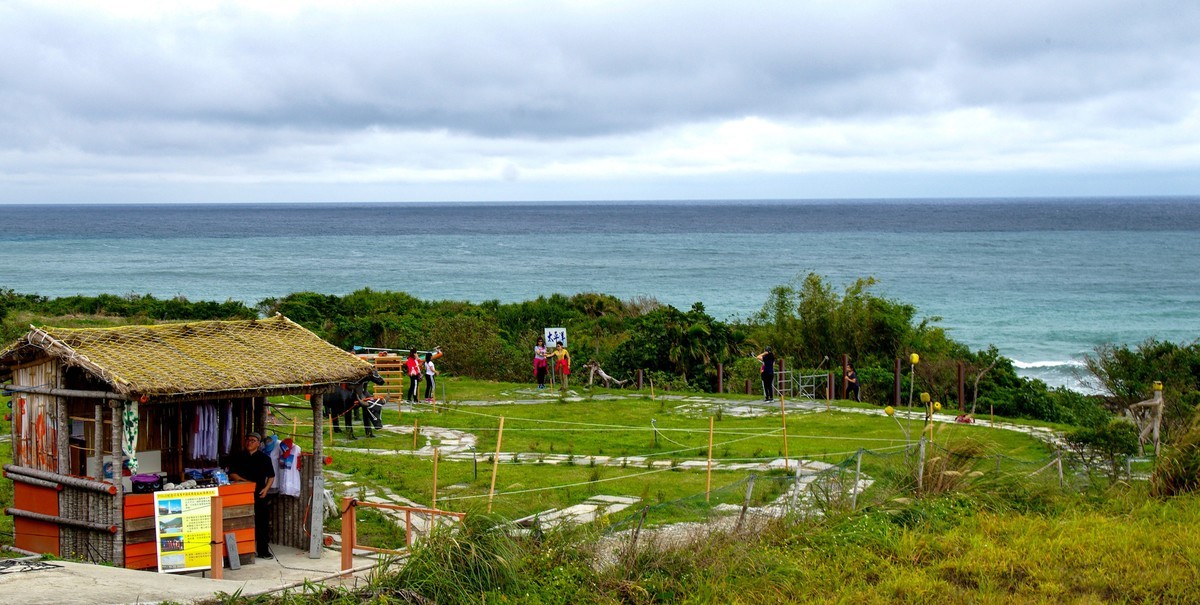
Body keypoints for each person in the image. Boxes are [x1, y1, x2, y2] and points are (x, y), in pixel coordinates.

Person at [226, 431, 276, 560]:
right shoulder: (238, 457)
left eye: (253, 440)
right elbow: (232, 474)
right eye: (248, 440)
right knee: (241, 521)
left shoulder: (264, 458)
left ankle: (263, 550)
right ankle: (244, 550)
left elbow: (271, 476)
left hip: (259, 493)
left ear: (258, 444)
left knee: (262, 522)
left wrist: (266, 489)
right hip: (241, 492)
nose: (250, 442)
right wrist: (245, 482)